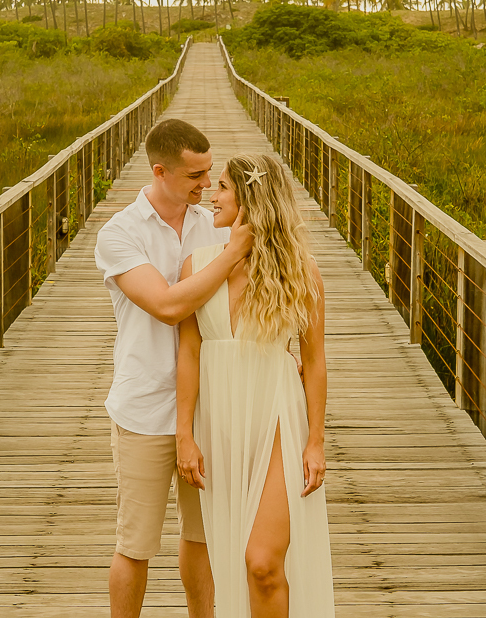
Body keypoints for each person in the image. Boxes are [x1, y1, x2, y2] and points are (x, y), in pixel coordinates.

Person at [94, 118, 254, 618]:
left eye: (210, 174)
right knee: (136, 544)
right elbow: (165, 306)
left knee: (202, 535)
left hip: (212, 402)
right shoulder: (119, 234)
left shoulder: (214, 223)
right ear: (160, 172)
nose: (207, 186)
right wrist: (230, 256)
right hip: (144, 407)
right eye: (195, 176)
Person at [175, 153, 335, 617]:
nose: (211, 194)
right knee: (232, 560)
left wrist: (316, 443)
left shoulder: (300, 272)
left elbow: (314, 361)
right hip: (219, 420)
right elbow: (188, 353)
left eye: (222, 186)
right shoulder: (197, 266)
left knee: (262, 563)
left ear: (250, 198)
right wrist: (185, 434)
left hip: (276, 414)